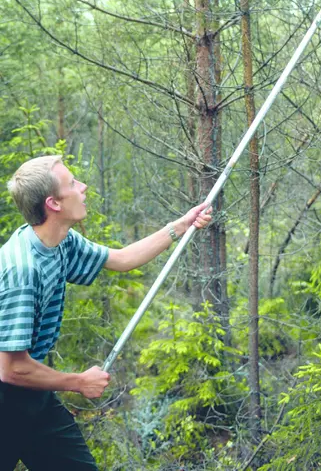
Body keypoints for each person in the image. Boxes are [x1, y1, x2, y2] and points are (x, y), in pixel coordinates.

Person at [0, 155, 212, 471]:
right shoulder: (23, 271)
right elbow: (11, 369)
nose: (83, 187)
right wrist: (78, 382)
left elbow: (122, 259)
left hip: (32, 398)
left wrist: (181, 225)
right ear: (53, 204)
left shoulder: (59, 242)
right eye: (72, 184)